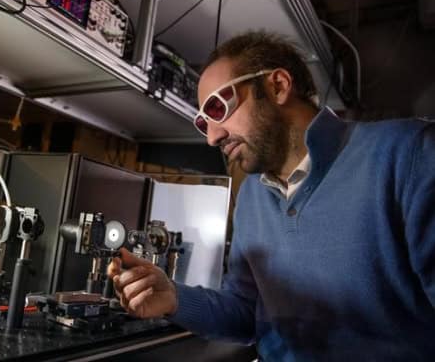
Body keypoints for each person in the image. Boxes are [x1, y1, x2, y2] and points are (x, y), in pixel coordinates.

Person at [109, 30, 435, 360]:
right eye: (202, 122)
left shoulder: (409, 154)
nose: (212, 137)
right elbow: (247, 313)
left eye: (218, 108)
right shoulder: (252, 197)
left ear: (277, 86)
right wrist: (174, 298)